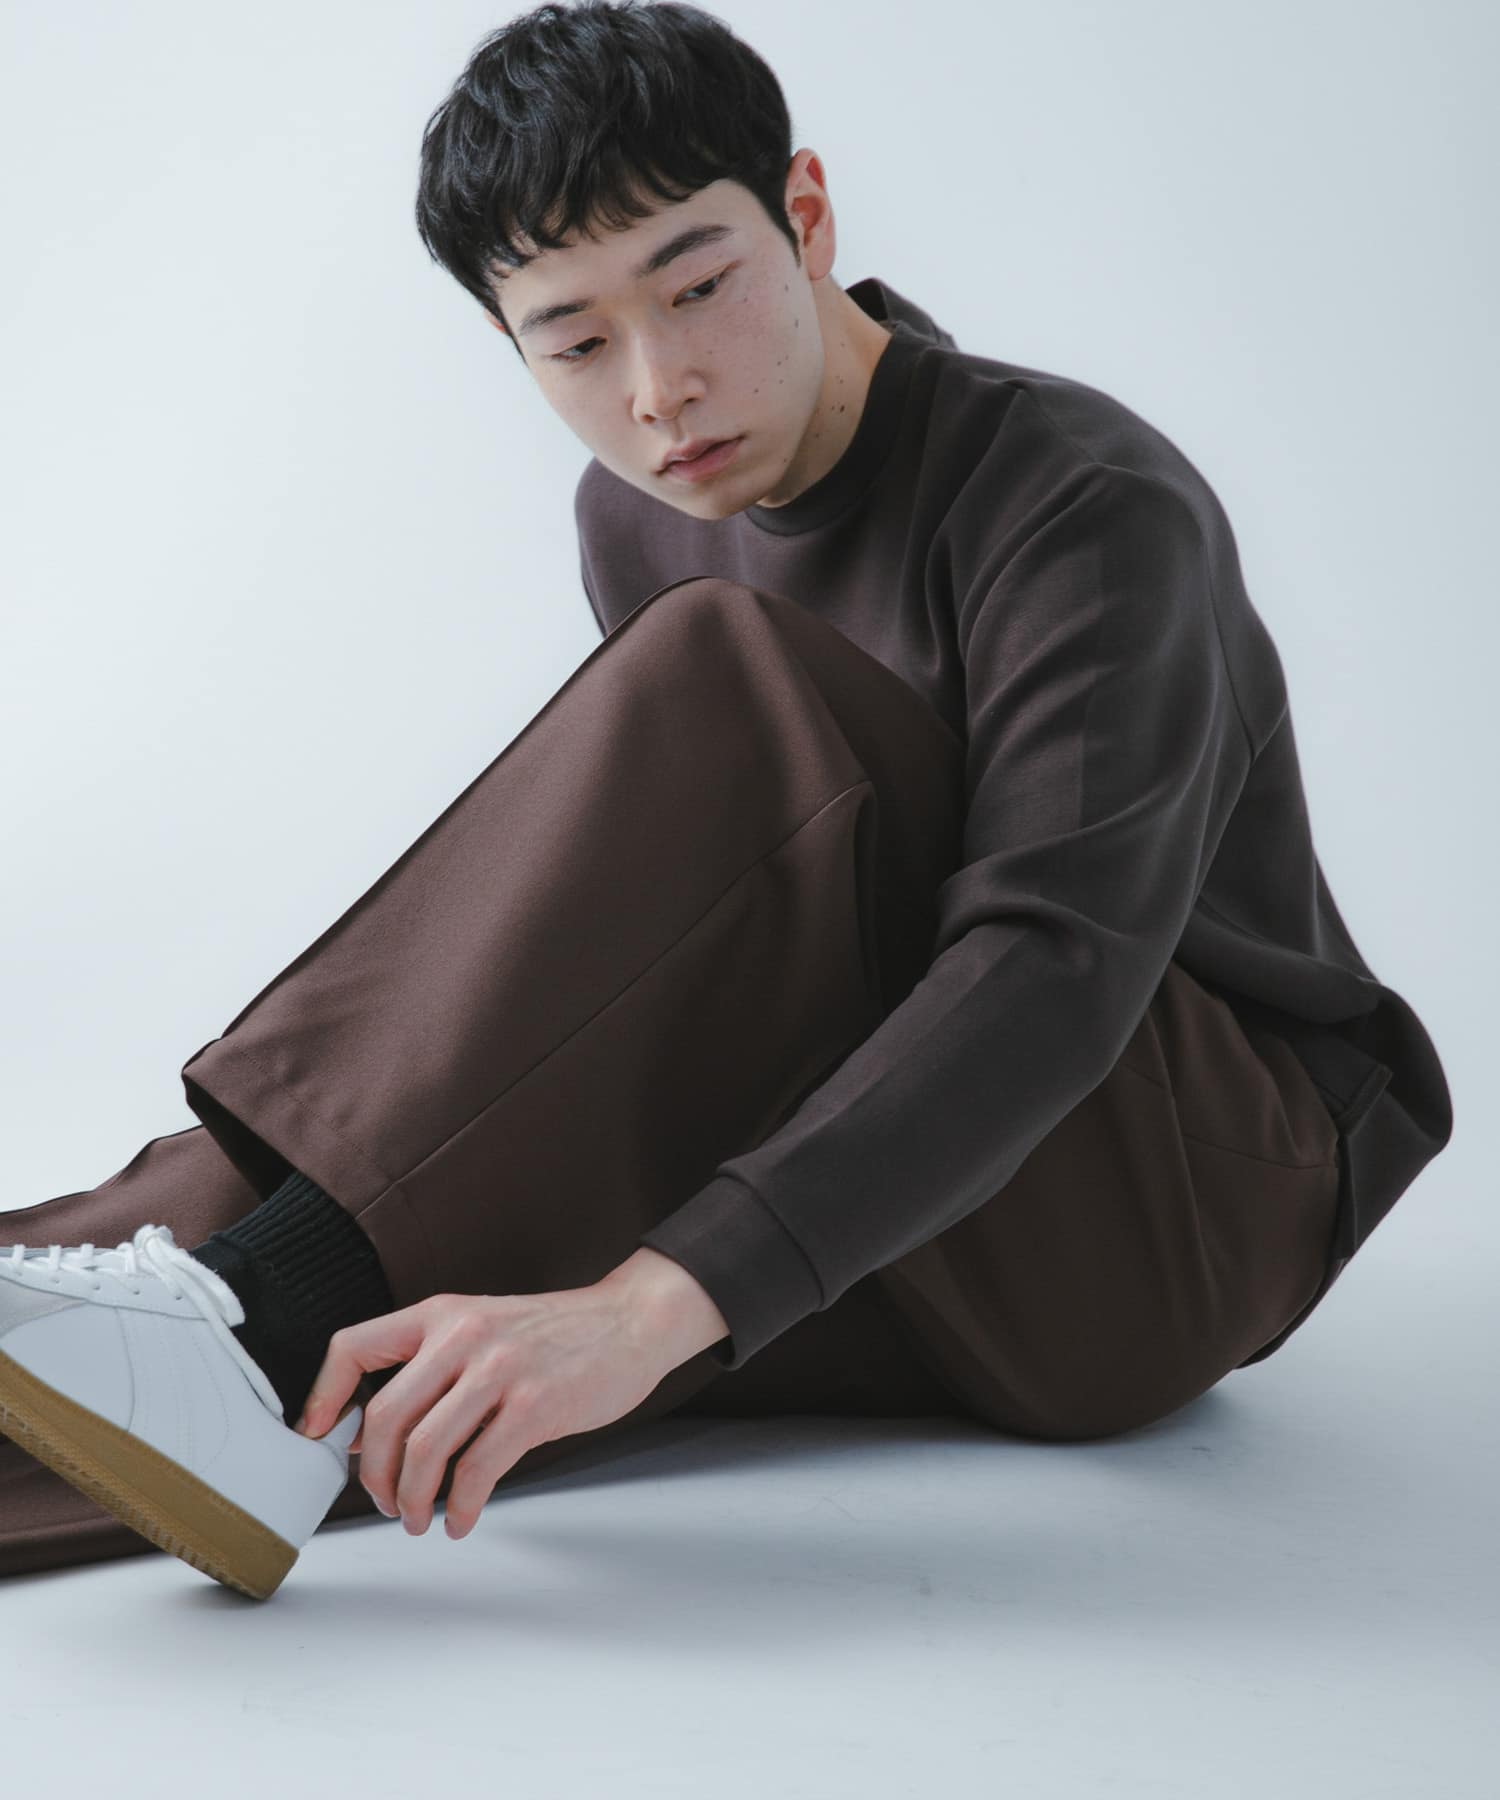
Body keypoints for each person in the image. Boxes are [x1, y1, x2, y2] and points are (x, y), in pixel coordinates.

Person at [0, 0, 1452, 1599]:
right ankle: (178, 1328)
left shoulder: (1079, 503)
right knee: (342, 1275)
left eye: (699, 287)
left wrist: (652, 1301)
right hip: (905, 1205)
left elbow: (1058, 972)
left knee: (722, 681)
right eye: (576, 342)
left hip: (1173, 1220)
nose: (660, 390)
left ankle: (238, 1315)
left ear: (806, 218)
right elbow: (661, 984)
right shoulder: (636, 517)